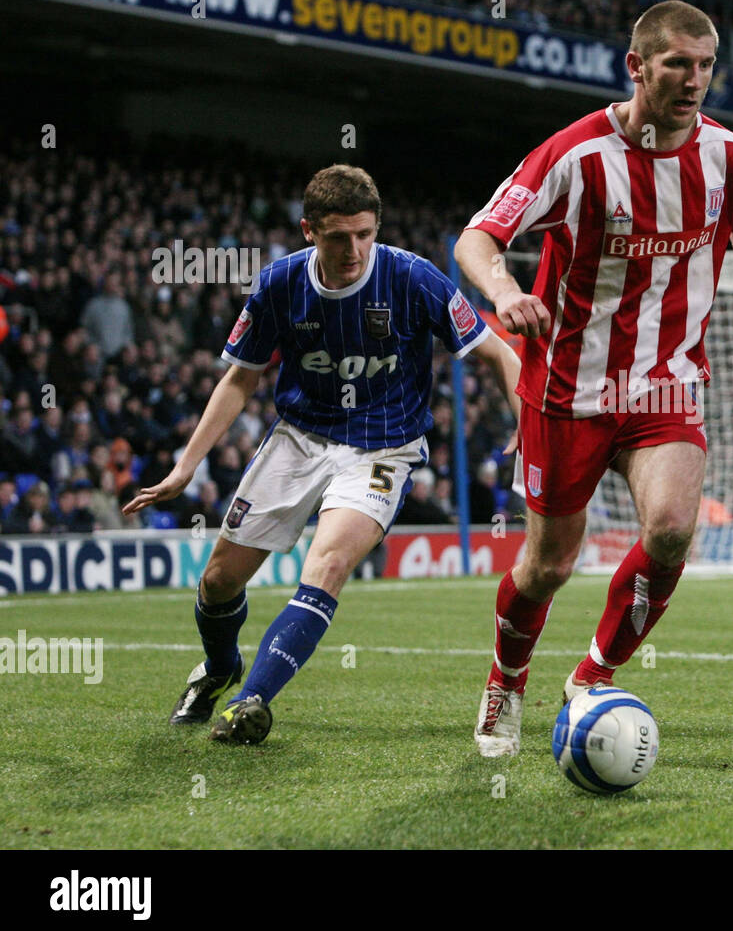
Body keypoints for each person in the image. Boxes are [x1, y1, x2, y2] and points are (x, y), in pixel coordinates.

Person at [455, 0, 733, 758]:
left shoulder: (730, 156)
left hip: (666, 385)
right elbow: (479, 237)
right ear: (637, 66)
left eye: (706, 64)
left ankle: (591, 675)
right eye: (677, 64)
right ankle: (505, 679)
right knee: (548, 563)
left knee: (672, 529)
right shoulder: (575, 155)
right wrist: (504, 292)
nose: (694, 80)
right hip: (569, 391)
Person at [124, 164, 521, 745]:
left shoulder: (413, 278)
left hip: (384, 448)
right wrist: (186, 465)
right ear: (310, 230)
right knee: (217, 583)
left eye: (364, 234)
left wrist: (524, 423)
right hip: (299, 438)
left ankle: (251, 700)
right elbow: (240, 379)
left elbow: (500, 355)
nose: (354, 249)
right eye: (339, 237)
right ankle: (218, 668)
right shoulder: (280, 284)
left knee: (328, 565)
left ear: (376, 228)